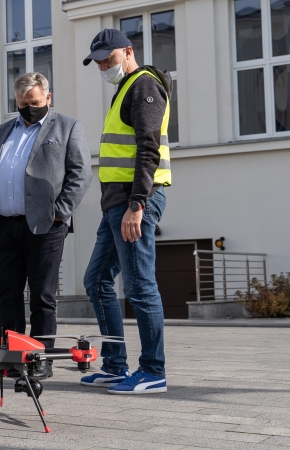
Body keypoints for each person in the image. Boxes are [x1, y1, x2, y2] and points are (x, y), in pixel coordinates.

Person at [0, 72, 91, 379]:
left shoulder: (67, 127)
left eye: (35, 102)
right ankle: (13, 356)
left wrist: (60, 212)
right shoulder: (2, 131)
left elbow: (80, 174)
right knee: (8, 293)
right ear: (15, 101)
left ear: (48, 98)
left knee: (42, 295)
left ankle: (40, 359)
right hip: (6, 225)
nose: (29, 107)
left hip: (46, 227)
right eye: (23, 102)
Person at [79, 29, 171, 394]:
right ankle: (116, 365)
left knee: (139, 285)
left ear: (128, 51)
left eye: (108, 58)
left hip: (135, 202)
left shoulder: (143, 86)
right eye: (98, 61)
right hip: (116, 203)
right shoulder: (126, 88)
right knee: (97, 280)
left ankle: (153, 371)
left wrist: (137, 204)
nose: (103, 66)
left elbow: (148, 147)